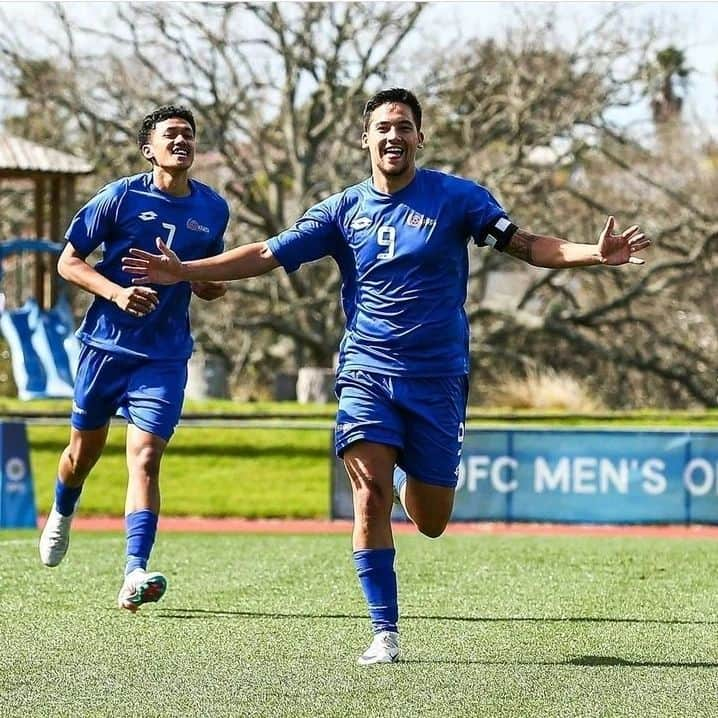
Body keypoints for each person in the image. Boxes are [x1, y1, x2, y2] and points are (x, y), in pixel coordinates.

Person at [122, 88, 650, 658]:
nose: (393, 136)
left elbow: (527, 245)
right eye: (383, 127)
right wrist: (184, 271)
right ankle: (384, 631)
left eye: (403, 126)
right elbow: (266, 254)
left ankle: (413, 481)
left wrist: (591, 254)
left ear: (419, 137)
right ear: (365, 138)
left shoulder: (458, 199)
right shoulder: (341, 210)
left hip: (438, 377)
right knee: (368, 493)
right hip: (367, 370)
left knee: (431, 519)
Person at [39, 105, 229, 612]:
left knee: (145, 458)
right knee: (83, 454)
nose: (182, 142)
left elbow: (212, 284)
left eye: (189, 135)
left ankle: (134, 571)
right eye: (171, 135)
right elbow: (69, 262)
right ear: (149, 149)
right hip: (104, 348)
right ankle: (62, 511)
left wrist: (184, 272)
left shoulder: (212, 209)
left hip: (163, 357)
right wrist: (118, 294)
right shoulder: (120, 197)